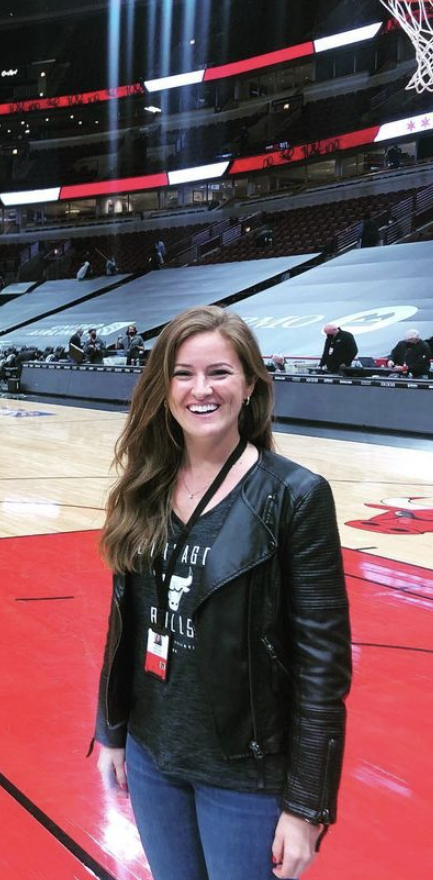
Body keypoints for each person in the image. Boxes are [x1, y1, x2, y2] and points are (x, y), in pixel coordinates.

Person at [94, 305, 351, 880]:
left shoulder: (295, 496)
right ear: (163, 388)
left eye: (220, 372)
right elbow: (126, 623)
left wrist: (307, 805)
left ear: (251, 384)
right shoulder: (144, 488)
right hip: (153, 751)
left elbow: (322, 668)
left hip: (245, 771)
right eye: (183, 373)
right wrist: (112, 730)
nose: (200, 389)